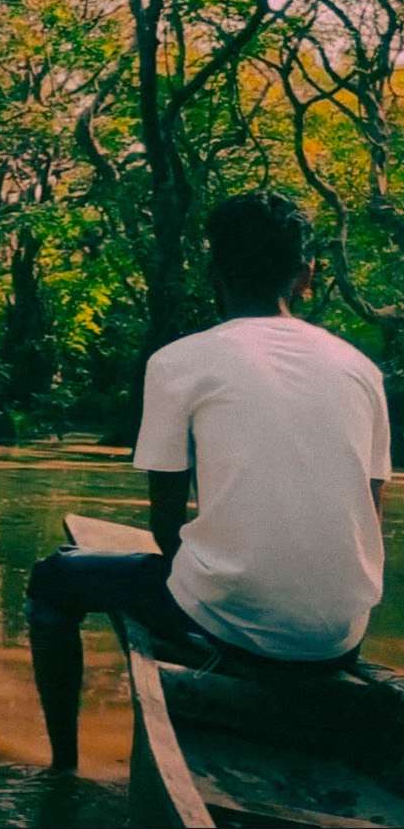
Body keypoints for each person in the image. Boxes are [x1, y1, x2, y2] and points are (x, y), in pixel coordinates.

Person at [25, 191, 392, 772]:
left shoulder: (179, 361)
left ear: (212, 271)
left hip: (232, 624)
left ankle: (63, 767)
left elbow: (166, 527)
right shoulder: (361, 370)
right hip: (341, 633)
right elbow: (368, 521)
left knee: (52, 579)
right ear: (307, 274)